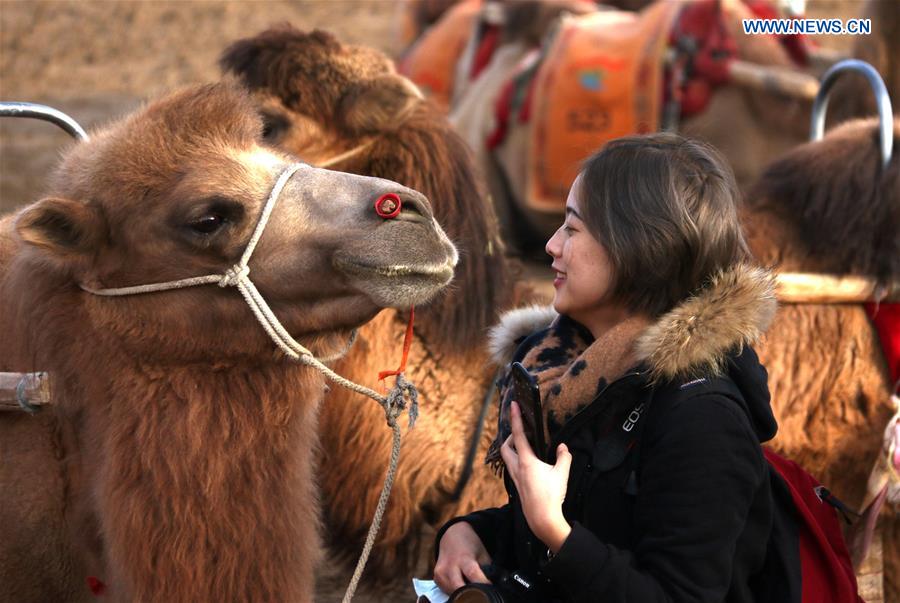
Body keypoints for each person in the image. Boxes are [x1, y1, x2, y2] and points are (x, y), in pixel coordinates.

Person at [433, 133, 793, 602]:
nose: (550, 245)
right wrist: (470, 533)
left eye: (572, 228)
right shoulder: (570, 372)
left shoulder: (704, 419)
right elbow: (584, 517)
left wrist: (558, 535)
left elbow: (679, 593)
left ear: (638, 248)